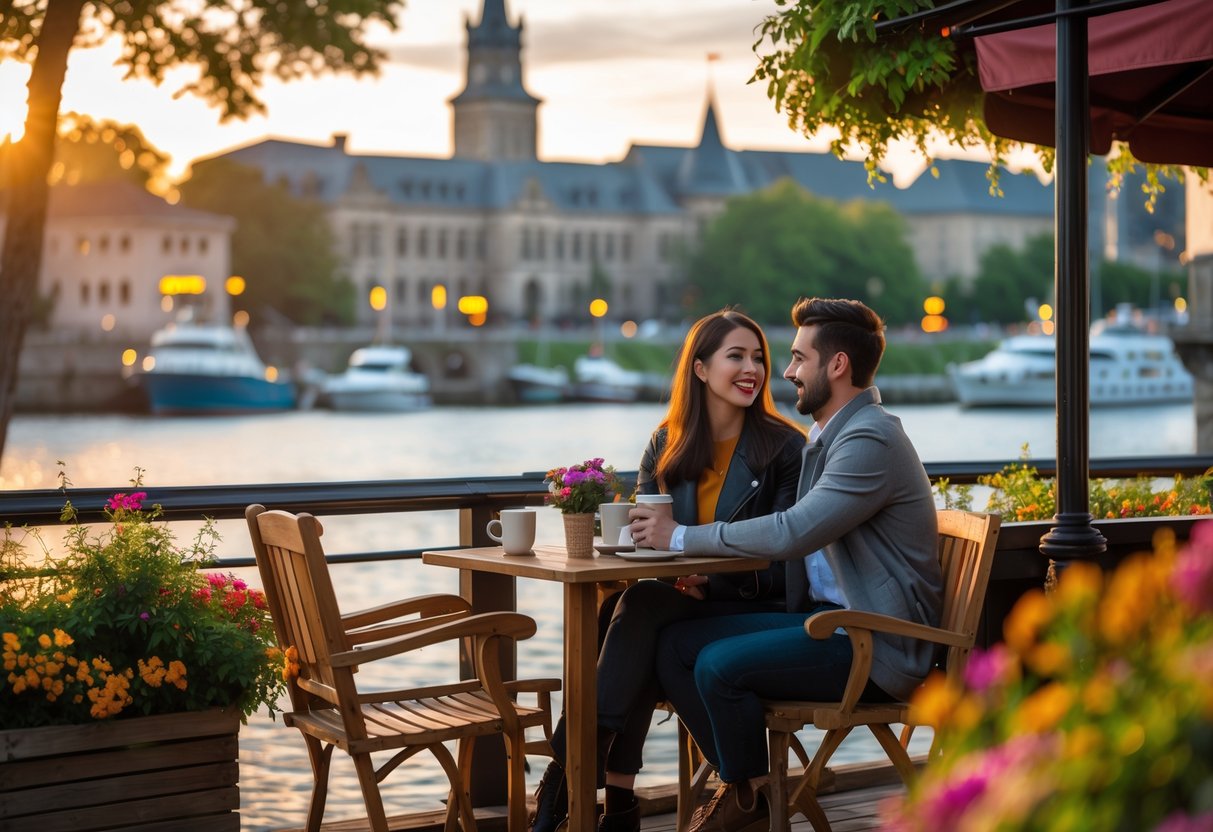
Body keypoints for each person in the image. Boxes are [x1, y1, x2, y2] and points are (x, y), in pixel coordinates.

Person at [630, 297, 943, 832]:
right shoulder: (830, 435)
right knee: (674, 645)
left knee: (716, 665)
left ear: (836, 366)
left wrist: (682, 536)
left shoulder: (868, 437)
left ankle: (745, 798)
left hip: (875, 642)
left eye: (799, 359)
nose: (789, 373)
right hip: (829, 620)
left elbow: (794, 531)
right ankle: (750, 791)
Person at [530, 308, 807, 832]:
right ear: (700, 369)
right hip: (683, 601)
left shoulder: (784, 449)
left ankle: (573, 777)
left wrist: (717, 577)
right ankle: (612, 801)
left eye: (758, 358)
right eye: (736, 356)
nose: (752, 369)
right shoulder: (667, 443)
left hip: (758, 606)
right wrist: (653, 554)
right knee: (621, 606)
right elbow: (646, 532)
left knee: (633, 612)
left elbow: (793, 559)